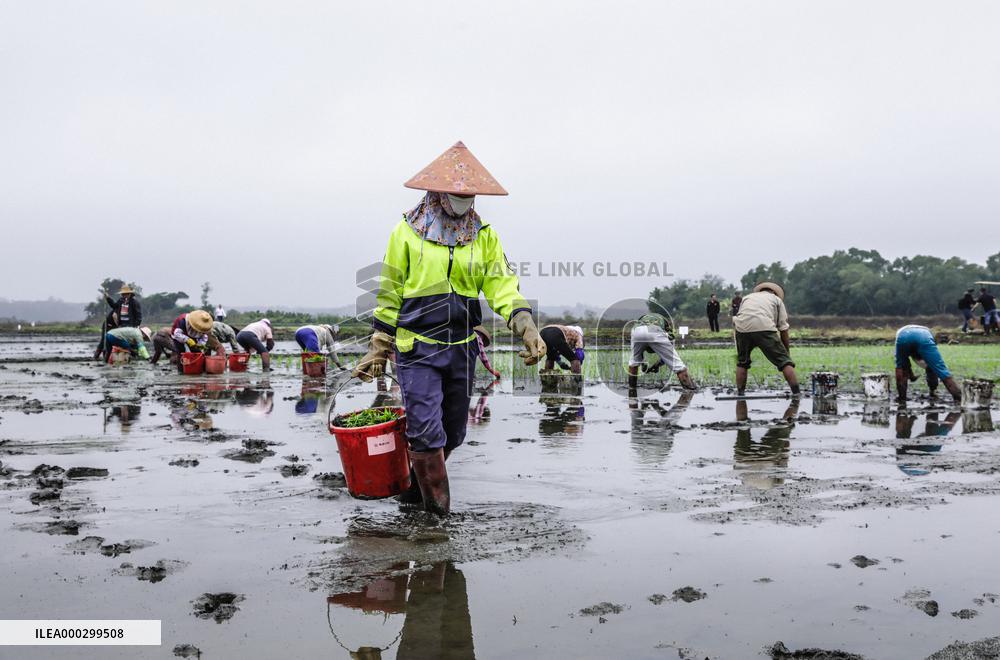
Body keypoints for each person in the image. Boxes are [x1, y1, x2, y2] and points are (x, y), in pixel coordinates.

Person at [353, 141, 546, 516]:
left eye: (469, 194)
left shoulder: (483, 234)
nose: (463, 200)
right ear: (438, 191)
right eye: (457, 193)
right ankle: (437, 517)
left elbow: (501, 284)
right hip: (417, 347)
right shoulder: (406, 233)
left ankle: (413, 489)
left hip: (461, 346)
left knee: (453, 433)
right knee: (426, 433)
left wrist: (525, 324)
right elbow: (390, 292)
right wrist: (379, 345)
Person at [733, 282, 800, 396]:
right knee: (785, 363)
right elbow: (783, 329)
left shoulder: (747, 297)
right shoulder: (776, 300)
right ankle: (797, 393)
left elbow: (742, 316)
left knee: (742, 362)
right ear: (774, 292)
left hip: (741, 329)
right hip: (764, 327)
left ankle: (740, 393)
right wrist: (786, 354)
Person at [627, 311, 697, 391]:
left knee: (633, 363)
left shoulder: (640, 321)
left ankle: (632, 390)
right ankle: (690, 391)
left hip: (636, 331)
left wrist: (646, 365)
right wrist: (658, 365)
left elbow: (639, 355)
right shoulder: (664, 322)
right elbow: (670, 344)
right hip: (654, 329)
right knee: (679, 366)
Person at [894, 324, 961, 403]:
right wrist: (912, 376)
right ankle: (959, 398)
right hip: (923, 337)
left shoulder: (902, 335)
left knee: (901, 370)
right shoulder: (929, 335)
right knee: (941, 370)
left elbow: (905, 365)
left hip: (903, 337)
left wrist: (911, 376)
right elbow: (931, 365)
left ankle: (902, 399)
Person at [94, 284, 142, 361]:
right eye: (123, 294)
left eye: (125, 294)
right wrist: (108, 298)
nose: (124, 296)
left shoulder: (134, 303)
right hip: (121, 325)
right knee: (117, 342)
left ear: (130, 294)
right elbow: (114, 306)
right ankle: (111, 358)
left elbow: (138, 316)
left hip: (130, 325)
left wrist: (135, 326)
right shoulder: (120, 301)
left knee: (130, 342)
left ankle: (132, 357)